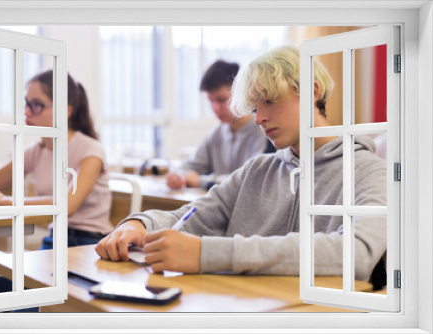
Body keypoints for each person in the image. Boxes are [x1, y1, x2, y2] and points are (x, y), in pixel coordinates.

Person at [95, 46, 387, 282]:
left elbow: (357, 251)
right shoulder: (256, 170)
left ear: (311, 92)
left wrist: (208, 254)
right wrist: (140, 223)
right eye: (254, 107)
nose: (258, 118)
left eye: (269, 101)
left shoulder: (369, 171)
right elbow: (191, 216)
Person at [0, 70, 112, 297]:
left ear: (65, 111)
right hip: (53, 243)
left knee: (19, 306)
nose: (27, 111)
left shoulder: (90, 150)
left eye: (37, 105)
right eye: (26, 103)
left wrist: (5, 201)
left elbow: (68, 204)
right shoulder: (38, 150)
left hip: (87, 246)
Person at [166, 60, 275, 190]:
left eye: (221, 99)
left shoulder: (264, 131)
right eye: (211, 101)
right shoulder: (216, 134)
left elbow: (249, 180)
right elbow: (191, 166)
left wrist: (202, 181)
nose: (215, 108)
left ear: (241, 94)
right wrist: (177, 176)